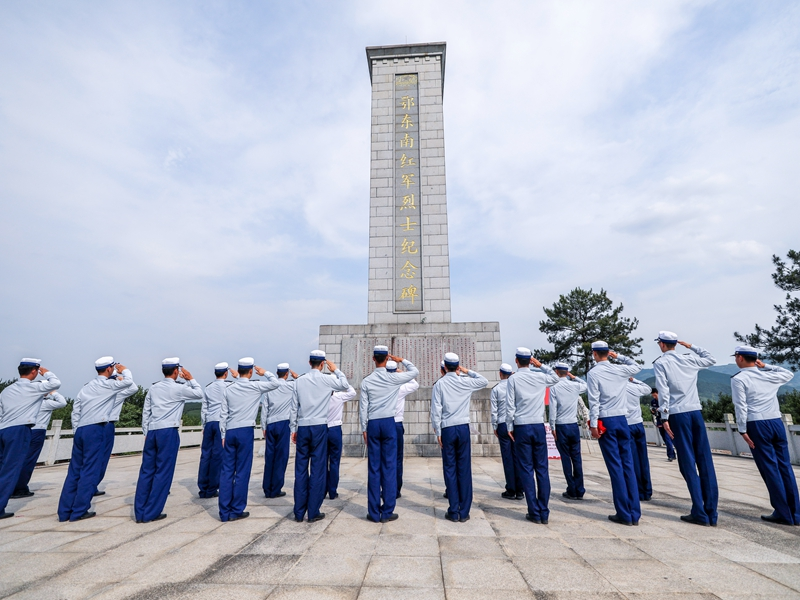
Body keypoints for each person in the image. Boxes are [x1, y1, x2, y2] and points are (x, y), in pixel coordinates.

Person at [653, 331, 718, 526]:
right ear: (675, 344)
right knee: (705, 460)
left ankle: (699, 510)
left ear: (662, 345)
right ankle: (711, 512)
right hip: (695, 412)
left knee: (687, 462)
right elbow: (711, 359)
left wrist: (664, 417)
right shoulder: (689, 359)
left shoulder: (661, 363)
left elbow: (663, 391)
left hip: (677, 414)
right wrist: (690, 346)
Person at [58, 358, 134, 522]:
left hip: (81, 429)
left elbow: (76, 409)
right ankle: (79, 510)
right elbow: (129, 382)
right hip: (96, 428)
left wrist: (76, 429)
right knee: (90, 471)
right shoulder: (108, 385)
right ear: (108, 369)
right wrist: (123, 370)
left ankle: (64, 511)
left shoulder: (87, 386)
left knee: (74, 471)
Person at [730, 345, 799, 526]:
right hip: (776, 422)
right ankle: (796, 513)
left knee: (770, 468)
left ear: (740, 358)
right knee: (785, 467)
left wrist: (742, 430)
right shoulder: (769, 375)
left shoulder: (739, 379)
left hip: (757, 424)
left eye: (736, 357)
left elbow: (741, 406)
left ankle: (783, 512)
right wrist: (766, 366)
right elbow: (788, 374)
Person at [134, 358, 203, 523]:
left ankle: (140, 511)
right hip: (168, 431)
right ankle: (152, 512)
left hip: (152, 431)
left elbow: (146, 411)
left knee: (146, 472)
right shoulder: (179, 388)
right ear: (176, 371)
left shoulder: (153, 388)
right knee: (163, 472)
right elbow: (200, 394)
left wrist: (146, 431)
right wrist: (190, 378)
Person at [360, 346, 419, 523]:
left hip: (372, 423)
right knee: (389, 466)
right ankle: (387, 511)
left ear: (373, 359)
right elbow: (414, 371)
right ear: (386, 359)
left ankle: (373, 511)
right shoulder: (394, 378)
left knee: (374, 468)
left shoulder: (366, 381)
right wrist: (401, 360)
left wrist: (364, 428)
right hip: (389, 423)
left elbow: (363, 408)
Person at [587, 341, 642, 526]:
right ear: (607, 353)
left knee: (615, 468)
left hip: (606, 421)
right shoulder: (620, 370)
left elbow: (594, 401)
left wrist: (593, 424)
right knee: (628, 465)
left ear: (595, 354)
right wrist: (619, 356)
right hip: (622, 420)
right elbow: (637, 366)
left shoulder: (593, 373)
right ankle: (634, 512)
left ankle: (624, 513)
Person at [218, 357, 280, 522]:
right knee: (242, 472)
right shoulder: (255, 386)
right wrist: (265, 372)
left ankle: (224, 512)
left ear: (238, 371)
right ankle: (236, 509)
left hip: (230, 431)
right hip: (245, 431)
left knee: (226, 472)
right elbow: (275, 383)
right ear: (251, 371)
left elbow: (223, 414)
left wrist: (223, 435)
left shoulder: (229, 389)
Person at [292, 350, 349, 522]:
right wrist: (336, 370)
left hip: (302, 427)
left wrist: (293, 429)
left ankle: (299, 512)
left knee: (300, 470)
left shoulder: (299, 381)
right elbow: (345, 385)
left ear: (310, 363)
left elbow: (294, 408)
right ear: (322, 364)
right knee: (317, 469)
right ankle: (313, 510)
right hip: (319, 427)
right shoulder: (327, 379)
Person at [0, 359, 61, 519]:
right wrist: (46, 372)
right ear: (34, 371)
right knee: (11, 469)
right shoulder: (33, 388)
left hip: (3, 430)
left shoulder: (7, 390)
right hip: (19, 430)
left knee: (2, 468)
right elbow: (56, 383)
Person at [432, 352, 488, 523]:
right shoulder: (465, 381)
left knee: (450, 468)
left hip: (447, 428)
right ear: (457, 366)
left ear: (443, 367)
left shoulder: (439, 384)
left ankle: (453, 509)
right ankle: (464, 511)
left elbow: (436, 411)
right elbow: (483, 381)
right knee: (464, 469)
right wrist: (466, 371)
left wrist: (438, 432)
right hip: (463, 428)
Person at [506, 348, 559, 524]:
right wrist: (541, 365)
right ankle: (544, 511)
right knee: (542, 469)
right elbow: (555, 377)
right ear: (530, 360)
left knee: (527, 469)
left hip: (521, 426)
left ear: (516, 360)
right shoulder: (539, 376)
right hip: (538, 426)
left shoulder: (513, 378)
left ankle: (534, 512)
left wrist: (509, 426)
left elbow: (510, 406)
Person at [11, 390, 67, 499]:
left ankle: (11, 486)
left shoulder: (27, 401)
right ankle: (20, 488)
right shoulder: (45, 403)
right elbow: (62, 402)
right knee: (29, 461)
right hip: (38, 432)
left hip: (24, 430)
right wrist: (53, 392)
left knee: (18, 459)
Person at [549, 362, 588, 500]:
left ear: (556, 372)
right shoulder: (575, 386)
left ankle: (571, 489)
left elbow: (553, 410)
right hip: (573, 425)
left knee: (566, 458)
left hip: (561, 425)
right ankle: (580, 489)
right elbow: (585, 385)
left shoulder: (554, 387)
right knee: (577, 458)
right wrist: (574, 377)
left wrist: (552, 427)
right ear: (566, 372)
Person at [95, 368, 138, 497]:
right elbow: (134, 388)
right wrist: (122, 377)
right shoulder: (117, 393)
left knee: (92, 458)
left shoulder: (97, 391)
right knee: (102, 458)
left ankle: (88, 485)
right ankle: (92, 485)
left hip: (93, 425)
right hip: (108, 426)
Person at [198, 362, 235, 499]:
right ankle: (213, 487)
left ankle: (203, 487)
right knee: (217, 456)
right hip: (221, 422)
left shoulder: (208, 387)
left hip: (209, 422)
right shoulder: (229, 386)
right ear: (226, 373)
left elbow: (204, 408)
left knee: (205, 455)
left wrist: (204, 425)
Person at [261, 363, 297, 499]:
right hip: (283, 423)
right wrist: (296, 376)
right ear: (286, 374)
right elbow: (302, 383)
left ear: (277, 373)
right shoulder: (290, 386)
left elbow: (265, 408)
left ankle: (267, 488)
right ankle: (275, 488)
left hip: (270, 424)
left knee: (269, 457)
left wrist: (263, 427)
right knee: (281, 457)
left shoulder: (270, 388)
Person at [389, 359, 419, 498]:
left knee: (384, 458)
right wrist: (402, 373)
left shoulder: (379, 385)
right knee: (397, 458)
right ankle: (396, 489)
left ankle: (386, 488)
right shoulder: (401, 387)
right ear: (396, 371)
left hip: (382, 423)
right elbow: (414, 383)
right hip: (396, 425)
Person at [492, 364, 521, 500]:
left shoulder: (496, 389)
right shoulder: (515, 386)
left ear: (500, 374)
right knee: (518, 457)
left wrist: (494, 426)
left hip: (503, 424)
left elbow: (494, 411)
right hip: (515, 424)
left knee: (507, 458)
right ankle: (520, 490)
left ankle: (511, 489)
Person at [626, 377, 654, 501]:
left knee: (633, 459)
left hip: (627, 424)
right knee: (643, 459)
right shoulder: (634, 387)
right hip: (639, 424)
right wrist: (635, 380)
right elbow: (648, 389)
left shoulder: (618, 388)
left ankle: (638, 490)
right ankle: (647, 490)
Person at [327, 383, 356, 499]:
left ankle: (322, 490)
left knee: (322, 462)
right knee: (334, 462)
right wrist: (343, 382)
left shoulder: (319, 398)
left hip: (322, 429)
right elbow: (353, 392)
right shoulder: (338, 396)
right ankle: (332, 491)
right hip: (335, 430)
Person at [650, 389, 676, 461]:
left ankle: (670, 455)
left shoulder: (664, 400)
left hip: (667, 421)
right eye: (653, 396)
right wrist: (653, 411)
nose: (654, 397)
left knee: (668, 439)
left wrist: (659, 409)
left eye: (655, 395)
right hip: (659, 421)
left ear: (658, 393)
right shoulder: (653, 402)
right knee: (665, 439)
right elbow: (653, 412)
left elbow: (667, 409)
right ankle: (673, 454)